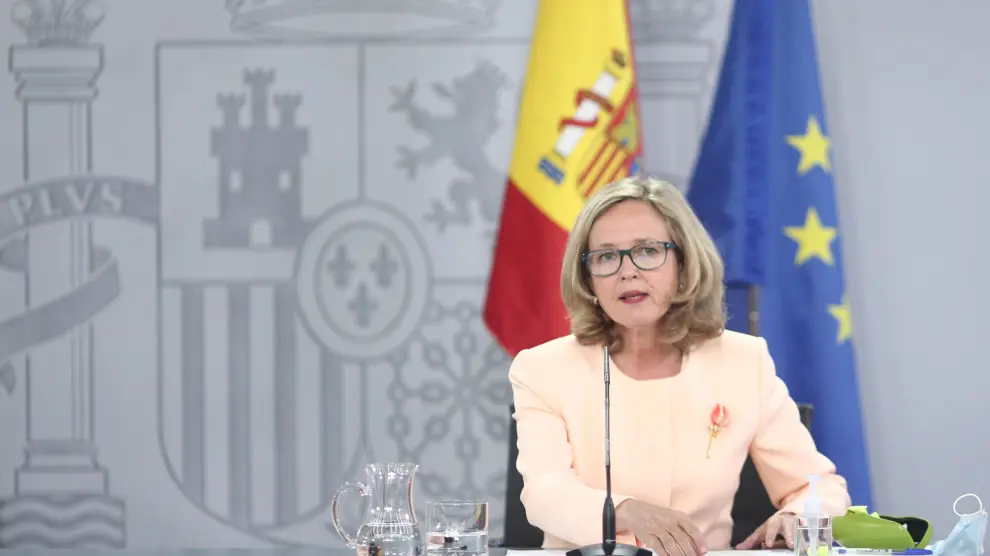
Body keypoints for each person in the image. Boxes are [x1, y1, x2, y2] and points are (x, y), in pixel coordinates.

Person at [508, 177, 851, 555]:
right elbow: (544, 493)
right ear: (588, 278)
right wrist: (625, 512)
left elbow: (820, 488)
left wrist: (799, 516)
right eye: (605, 257)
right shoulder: (544, 369)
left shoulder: (742, 361)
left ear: (683, 264)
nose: (627, 271)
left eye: (647, 251)